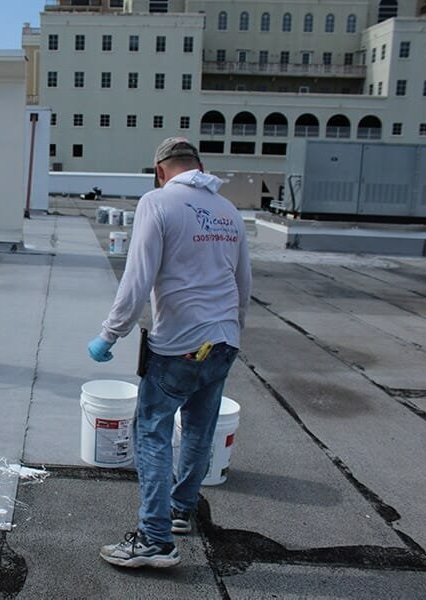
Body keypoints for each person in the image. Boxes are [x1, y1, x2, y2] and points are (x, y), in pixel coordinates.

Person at [87, 137, 251, 568]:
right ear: (199, 165)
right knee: (199, 427)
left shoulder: (157, 203)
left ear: (160, 170)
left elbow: (137, 279)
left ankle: (155, 540)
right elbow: (243, 281)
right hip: (223, 340)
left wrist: (111, 333)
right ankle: (180, 510)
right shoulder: (229, 211)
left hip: (180, 344)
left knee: (153, 429)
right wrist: (233, 331)